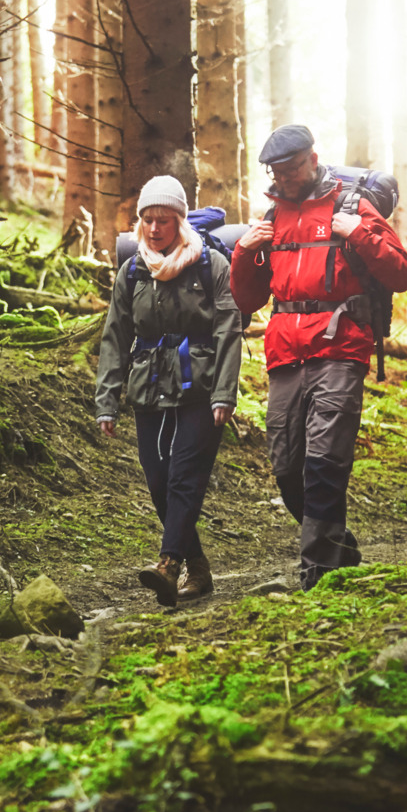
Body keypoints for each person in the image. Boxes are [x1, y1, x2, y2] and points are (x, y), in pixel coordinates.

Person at [231, 125, 407, 589]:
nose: (285, 179)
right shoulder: (272, 217)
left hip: (340, 346)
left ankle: (318, 569)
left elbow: (401, 273)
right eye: (277, 172)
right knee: (287, 465)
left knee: (324, 458)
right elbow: (246, 300)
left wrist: (360, 235)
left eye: (292, 169)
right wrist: (244, 251)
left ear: (312, 159)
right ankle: (338, 545)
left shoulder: (352, 205)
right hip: (285, 352)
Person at [96, 175, 245, 606]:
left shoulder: (210, 264)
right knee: (159, 480)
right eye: (147, 219)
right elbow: (115, 336)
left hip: (200, 386)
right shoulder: (133, 270)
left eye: (164, 219)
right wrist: (107, 400)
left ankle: (169, 563)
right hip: (148, 387)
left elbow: (228, 329)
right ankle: (198, 566)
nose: (155, 228)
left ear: (180, 220)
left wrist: (224, 392)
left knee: (184, 475)